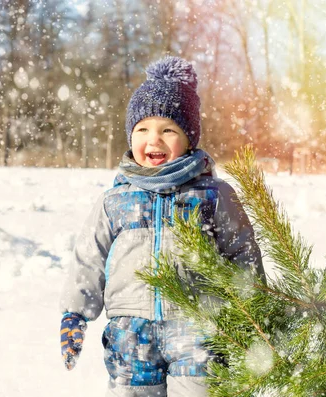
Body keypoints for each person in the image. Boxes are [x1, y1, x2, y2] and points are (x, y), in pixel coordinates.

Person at [59, 56, 265, 397]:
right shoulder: (115, 199)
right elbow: (88, 256)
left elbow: (242, 251)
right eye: (142, 129)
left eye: (168, 130)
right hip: (130, 329)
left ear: (189, 138)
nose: (153, 140)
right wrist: (75, 313)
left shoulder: (213, 195)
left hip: (199, 324)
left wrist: (253, 315)